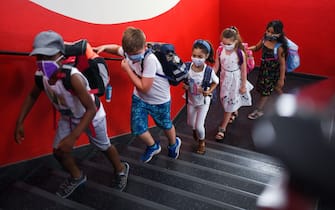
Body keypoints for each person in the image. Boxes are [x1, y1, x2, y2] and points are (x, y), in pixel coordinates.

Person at [14, 30, 129, 198]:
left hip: (92, 116)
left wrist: (72, 137)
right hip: (68, 117)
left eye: (48, 56)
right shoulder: (41, 76)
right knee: (58, 151)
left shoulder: (73, 77)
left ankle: (120, 169)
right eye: (39, 57)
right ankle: (77, 176)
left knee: (103, 146)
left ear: (61, 55)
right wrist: (19, 122)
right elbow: (32, 95)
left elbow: (90, 109)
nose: (43, 62)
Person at [94, 26, 181, 163]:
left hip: (159, 101)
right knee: (137, 128)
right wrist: (103, 48)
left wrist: (127, 69)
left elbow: (144, 87)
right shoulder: (129, 52)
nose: (133, 57)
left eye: (136, 53)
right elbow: (117, 49)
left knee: (165, 125)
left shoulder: (150, 59)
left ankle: (173, 143)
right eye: (130, 54)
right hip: (140, 99)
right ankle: (153, 146)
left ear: (145, 47)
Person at [213, 26, 253, 141]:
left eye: (229, 44)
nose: (226, 46)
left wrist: (243, 85)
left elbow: (243, 70)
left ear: (235, 41)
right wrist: (208, 76)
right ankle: (234, 110)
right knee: (224, 99)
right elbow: (216, 66)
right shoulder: (220, 50)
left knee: (229, 104)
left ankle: (222, 128)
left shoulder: (240, 53)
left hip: (235, 79)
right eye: (223, 43)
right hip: (224, 78)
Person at [183, 39, 219, 154]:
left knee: (199, 126)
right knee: (190, 123)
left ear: (206, 56)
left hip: (203, 102)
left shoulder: (208, 71)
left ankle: (202, 141)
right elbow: (183, 79)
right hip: (191, 100)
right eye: (194, 55)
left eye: (200, 56)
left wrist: (209, 92)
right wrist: (185, 85)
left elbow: (216, 82)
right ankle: (195, 130)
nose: (196, 58)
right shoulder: (187, 67)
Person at [247, 20, 288, 120]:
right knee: (274, 88)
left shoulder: (279, 47)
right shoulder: (265, 39)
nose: (269, 34)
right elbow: (257, 47)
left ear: (279, 33)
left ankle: (259, 110)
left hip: (273, 71)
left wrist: (281, 79)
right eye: (268, 31)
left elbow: (282, 64)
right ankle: (286, 101)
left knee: (265, 91)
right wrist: (247, 49)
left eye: (272, 33)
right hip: (264, 69)